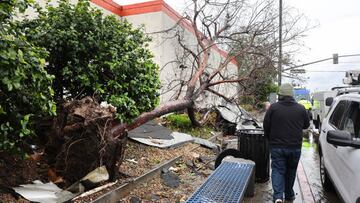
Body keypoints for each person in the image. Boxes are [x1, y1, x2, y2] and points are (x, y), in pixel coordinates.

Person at [263, 83, 310, 203]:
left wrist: (270, 139)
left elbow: (266, 126)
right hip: (295, 147)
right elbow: (306, 125)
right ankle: (289, 194)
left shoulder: (273, 108)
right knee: (291, 170)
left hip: (277, 146)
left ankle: (278, 197)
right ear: (292, 95)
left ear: (280, 95)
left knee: (278, 170)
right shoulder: (300, 108)